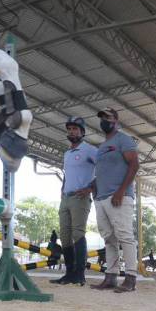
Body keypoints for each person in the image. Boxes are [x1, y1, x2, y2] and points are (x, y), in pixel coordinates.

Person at [90, 108, 140, 293]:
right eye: (102, 118)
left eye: (108, 117)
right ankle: (110, 277)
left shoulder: (123, 139)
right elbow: (102, 172)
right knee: (108, 238)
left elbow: (134, 164)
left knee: (125, 236)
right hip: (101, 198)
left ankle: (131, 278)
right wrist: (94, 188)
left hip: (119, 196)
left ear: (116, 121)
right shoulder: (102, 147)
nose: (105, 120)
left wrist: (121, 191)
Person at [52, 116, 97, 286]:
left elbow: (105, 167)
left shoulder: (89, 150)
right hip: (66, 198)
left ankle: (80, 274)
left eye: (75, 129)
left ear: (82, 132)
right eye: (69, 129)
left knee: (78, 233)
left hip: (80, 198)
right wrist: (62, 189)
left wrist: (90, 188)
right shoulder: (67, 153)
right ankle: (69, 273)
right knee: (64, 236)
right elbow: (67, 174)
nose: (72, 132)